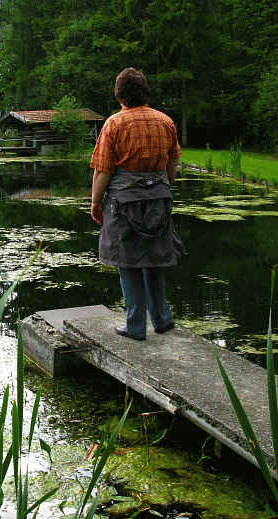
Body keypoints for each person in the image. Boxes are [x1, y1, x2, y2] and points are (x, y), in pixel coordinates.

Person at [90, 67, 184, 340]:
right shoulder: (165, 121)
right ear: (145, 93)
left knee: (128, 261)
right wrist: (163, 188)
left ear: (119, 95)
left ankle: (135, 326)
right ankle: (162, 320)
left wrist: (96, 202)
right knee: (154, 259)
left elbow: (103, 170)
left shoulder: (114, 124)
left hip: (124, 203)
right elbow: (172, 163)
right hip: (159, 199)